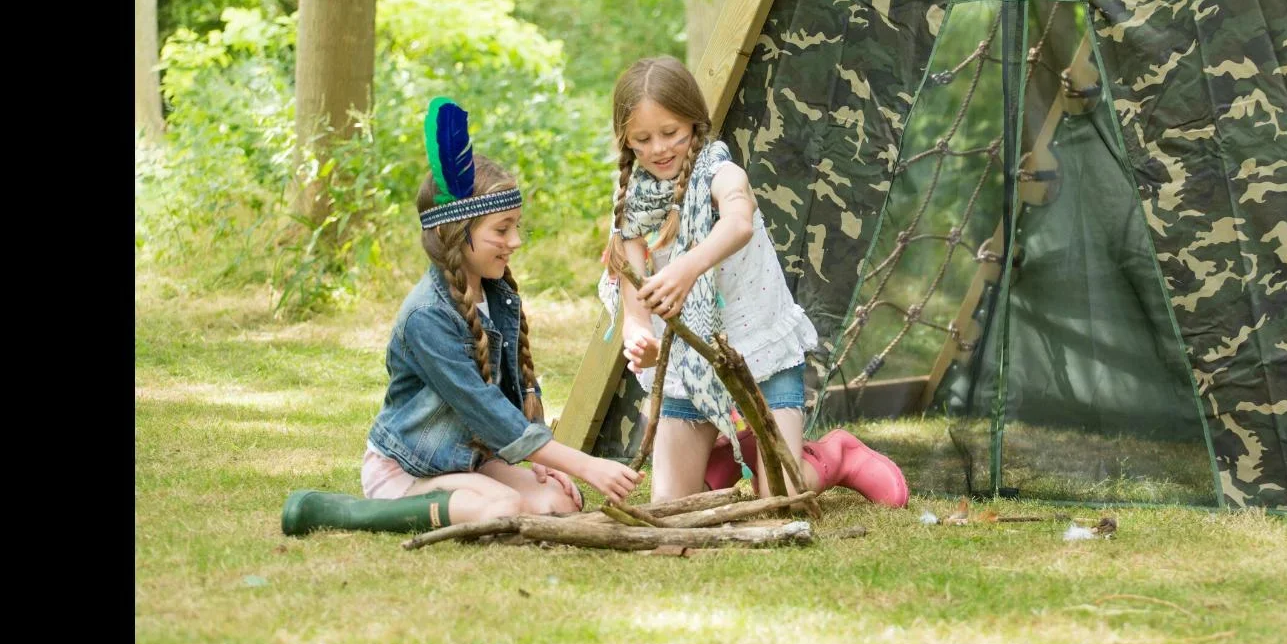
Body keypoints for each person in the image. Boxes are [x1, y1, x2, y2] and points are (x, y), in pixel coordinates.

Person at [283, 97, 642, 536]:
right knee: (505, 512)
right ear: (454, 232)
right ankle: (349, 511)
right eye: (501, 229)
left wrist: (542, 459)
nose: (515, 241)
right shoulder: (426, 317)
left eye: (516, 226)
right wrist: (585, 464)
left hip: (472, 457)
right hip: (410, 468)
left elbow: (512, 394)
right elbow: (486, 409)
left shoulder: (497, 295)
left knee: (559, 502)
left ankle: (479, 492)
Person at [598, 57, 908, 508]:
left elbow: (738, 223)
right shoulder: (631, 195)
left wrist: (687, 268)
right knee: (668, 506)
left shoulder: (721, 173)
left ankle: (835, 455)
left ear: (695, 122)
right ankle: (725, 448)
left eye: (671, 133)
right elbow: (633, 280)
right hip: (691, 365)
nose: (659, 149)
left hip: (759, 353)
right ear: (626, 139)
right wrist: (638, 333)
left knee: (779, 494)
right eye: (643, 139)